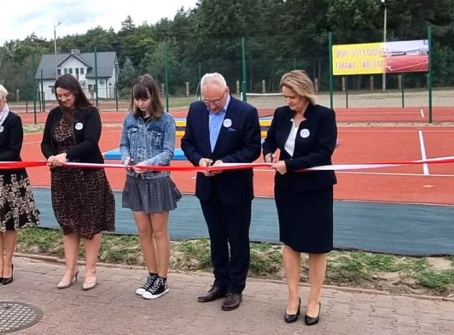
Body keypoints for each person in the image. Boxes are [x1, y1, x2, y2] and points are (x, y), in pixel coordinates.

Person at [262, 70, 337, 326]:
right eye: (285, 97)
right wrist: (269, 154)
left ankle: (314, 300)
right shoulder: (281, 114)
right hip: (286, 189)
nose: (288, 102)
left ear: (304, 93)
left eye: (292, 97)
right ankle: (293, 298)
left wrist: (289, 164)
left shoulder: (324, 116)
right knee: (291, 243)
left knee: (317, 245)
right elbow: (269, 140)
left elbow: (323, 153)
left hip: (316, 190)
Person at [181, 72, 261, 311]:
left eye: (215, 101)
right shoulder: (196, 110)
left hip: (235, 187)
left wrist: (226, 163)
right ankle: (220, 282)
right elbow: (187, 143)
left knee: (237, 238)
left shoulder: (246, 112)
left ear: (226, 92)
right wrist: (199, 161)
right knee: (216, 237)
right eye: (207, 101)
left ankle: (236, 288)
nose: (211, 106)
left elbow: (252, 148)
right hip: (207, 186)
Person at [40, 74, 115, 291]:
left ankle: (91, 270)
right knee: (68, 224)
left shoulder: (90, 113)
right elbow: (46, 142)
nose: (63, 99)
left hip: (88, 176)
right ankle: (70, 269)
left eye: (67, 95)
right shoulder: (54, 114)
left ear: (76, 92)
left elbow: (91, 142)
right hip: (63, 178)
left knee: (90, 224)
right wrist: (51, 156)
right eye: (59, 96)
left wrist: (67, 156)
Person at [119, 74, 182, 300]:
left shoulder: (166, 120)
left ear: (153, 96)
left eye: (144, 98)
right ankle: (152, 275)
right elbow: (123, 145)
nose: (140, 103)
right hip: (134, 181)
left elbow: (168, 152)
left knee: (159, 232)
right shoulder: (129, 119)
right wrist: (126, 158)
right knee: (144, 232)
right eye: (137, 99)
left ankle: (163, 280)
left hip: (157, 181)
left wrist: (148, 164)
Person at [0, 83, 40, 285]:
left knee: (10, 223)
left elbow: (13, 150)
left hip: (11, 178)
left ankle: (9, 263)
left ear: (4, 101)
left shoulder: (13, 120)